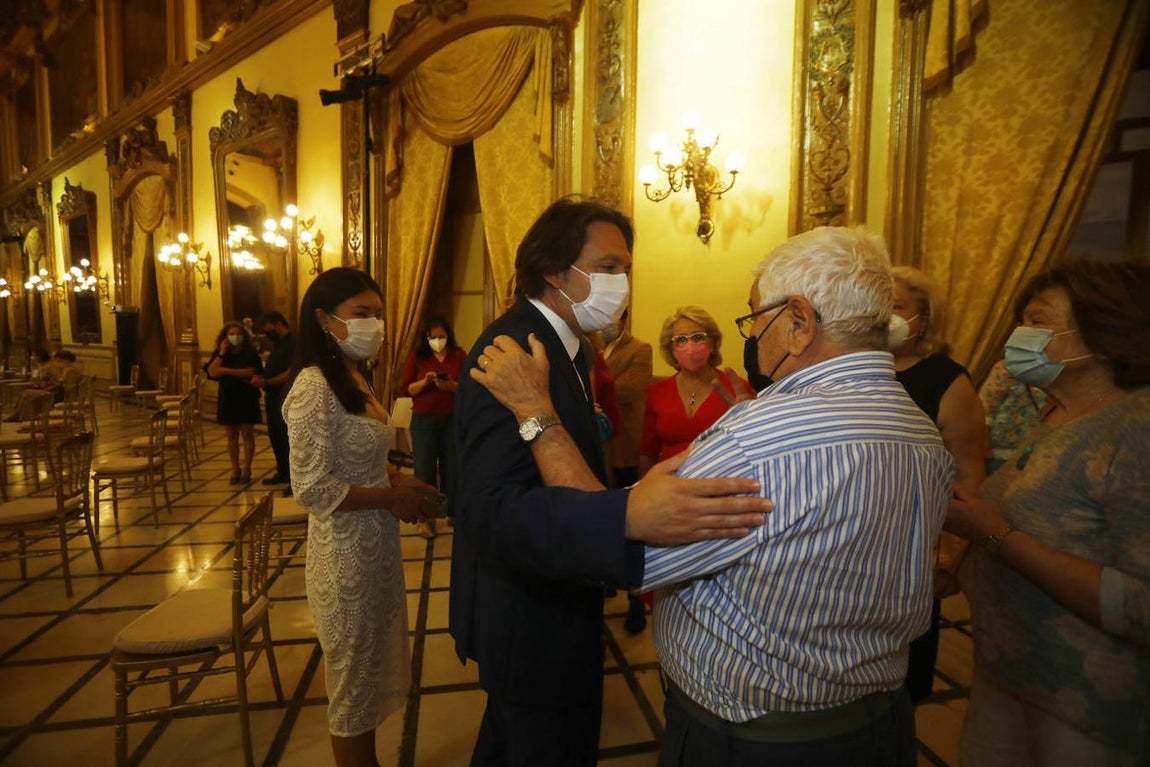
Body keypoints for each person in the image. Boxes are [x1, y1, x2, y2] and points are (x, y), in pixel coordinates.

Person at [473, 225, 953, 766]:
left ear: (798, 321)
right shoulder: (920, 428)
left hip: (755, 738)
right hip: (880, 723)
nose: (753, 335)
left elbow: (604, 548)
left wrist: (536, 413)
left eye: (756, 317)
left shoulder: (756, 442)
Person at [450, 196, 771, 767]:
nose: (621, 282)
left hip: (558, 590)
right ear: (554, 271)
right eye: (606, 268)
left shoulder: (567, 347)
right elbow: (488, 507)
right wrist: (619, 517)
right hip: (528, 608)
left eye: (625, 269)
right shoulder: (515, 348)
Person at [945, 259, 1150, 766]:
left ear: (1103, 330)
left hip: (1084, 703)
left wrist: (997, 535)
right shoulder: (1055, 413)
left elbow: (1142, 603)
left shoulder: (1135, 425)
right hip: (1010, 675)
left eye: (1038, 321)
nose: (1022, 336)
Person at [283, 267, 441, 767]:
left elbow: (362, 464)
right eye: (361, 314)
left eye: (378, 313)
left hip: (376, 549)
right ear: (325, 320)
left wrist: (401, 482)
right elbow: (311, 487)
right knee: (351, 683)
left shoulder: (353, 376)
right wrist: (389, 500)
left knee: (369, 671)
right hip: (344, 555)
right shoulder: (313, 386)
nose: (375, 323)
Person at [889, 265, 988, 703]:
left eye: (896, 307)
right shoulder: (848, 371)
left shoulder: (947, 380)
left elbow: (968, 477)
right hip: (849, 546)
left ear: (922, 318)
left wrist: (947, 561)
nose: (883, 316)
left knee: (900, 686)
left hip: (913, 550)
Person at [637, 306, 747, 479]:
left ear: (712, 343)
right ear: (671, 348)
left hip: (720, 487)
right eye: (680, 339)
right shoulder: (657, 391)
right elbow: (648, 452)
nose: (690, 346)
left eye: (698, 337)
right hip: (668, 488)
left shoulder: (738, 389)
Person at [400, 315, 467, 537]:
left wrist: (450, 386)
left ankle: (452, 512)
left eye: (441, 336)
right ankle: (426, 518)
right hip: (424, 419)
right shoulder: (418, 357)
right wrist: (426, 382)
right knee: (424, 468)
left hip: (451, 418)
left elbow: (468, 387)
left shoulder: (459, 355)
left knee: (453, 467)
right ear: (426, 338)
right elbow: (407, 389)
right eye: (433, 337)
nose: (437, 340)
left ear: (448, 336)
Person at [599, 310, 652, 488]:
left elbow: (629, 389)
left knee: (625, 489)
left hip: (624, 437)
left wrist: (594, 388)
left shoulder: (640, 348)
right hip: (597, 437)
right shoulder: (591, 345)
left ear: (623, 321)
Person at [206, 321, 263, 484]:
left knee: (247, 433)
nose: (235, 337)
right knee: (231, 435)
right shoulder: (220, 353)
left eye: (238, 334)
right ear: (225, 337)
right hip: (228, 396)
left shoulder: (250, 352)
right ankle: (235, 467)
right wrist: (222, 352)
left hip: (246, 396)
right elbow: (212, 371)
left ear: (243, 336)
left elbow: (251, 371)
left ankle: (247, 467)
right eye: (231, 334)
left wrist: (225, 371)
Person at [977, 358, 1046, 474]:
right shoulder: (1008, 367)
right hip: (997, 453)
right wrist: (983, 450)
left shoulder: (1062, 379)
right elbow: (984, 411)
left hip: (1031, 459)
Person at [252, 311, 295, 488]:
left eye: (267, 329)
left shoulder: (294, 343)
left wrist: (268, 380)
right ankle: (283, 471)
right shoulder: (278, 344)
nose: (266, 334)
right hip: (272, 397)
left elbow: (292, 371)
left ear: (278, 324)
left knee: (287, 438)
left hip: (284, 396)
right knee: (276, 436)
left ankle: (293, 477)